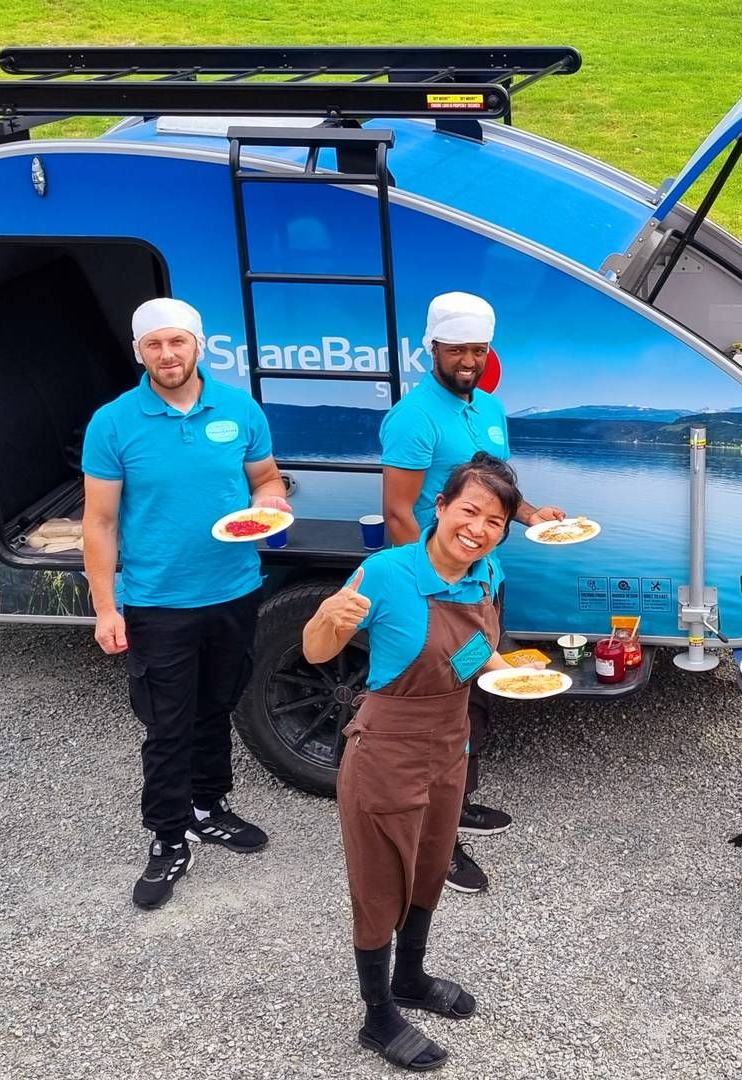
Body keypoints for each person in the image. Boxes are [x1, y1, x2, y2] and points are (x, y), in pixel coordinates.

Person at [304, 454, 530, 1072]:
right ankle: (377, 1016)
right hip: (385, 749)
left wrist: (511, 672)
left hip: (449, 745)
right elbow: (317, 649)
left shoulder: (487, 575)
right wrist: (326, 620)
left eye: (495, 520)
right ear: (441, 508)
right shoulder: (385, 572)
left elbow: (474, 651)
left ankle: (410, 978)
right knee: (380, 886)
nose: (479, 528)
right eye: (469, 511)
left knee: (430, 867)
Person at [82, 297, 291, 910]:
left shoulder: (238, 408)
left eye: (178, 343)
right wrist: (105, 607)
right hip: (157, 600)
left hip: (234, 587)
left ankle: (208, 806)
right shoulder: (114, 423)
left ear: (200, 345)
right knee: (166, 724)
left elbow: (266, 479)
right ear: (138, 352)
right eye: (154, 345)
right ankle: (168, 838)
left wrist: (273, 502)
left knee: (217, 705)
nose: (167, 356)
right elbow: (98, 522)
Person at [377, 292, 567, 894]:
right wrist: (432, 590)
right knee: (437, 712)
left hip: (488, 581)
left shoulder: (489, 407)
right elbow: (398, 511)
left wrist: (533, 514)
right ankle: (439, 843)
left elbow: (496, 497)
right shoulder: (413, 418)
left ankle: (458, 805)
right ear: (432, 349)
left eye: (478, 349)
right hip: (442, 591)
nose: (468, 359)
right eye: (457, 348)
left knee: (474, 699)